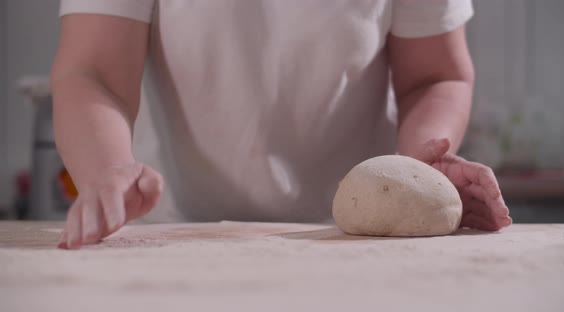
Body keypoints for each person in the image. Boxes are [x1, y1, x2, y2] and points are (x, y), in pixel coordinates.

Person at [51, 0, 511, 249]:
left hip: (360, 245)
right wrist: (108, 168)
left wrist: (422, 164)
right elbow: (94, 73)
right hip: (174, 235)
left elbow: (435, 76)